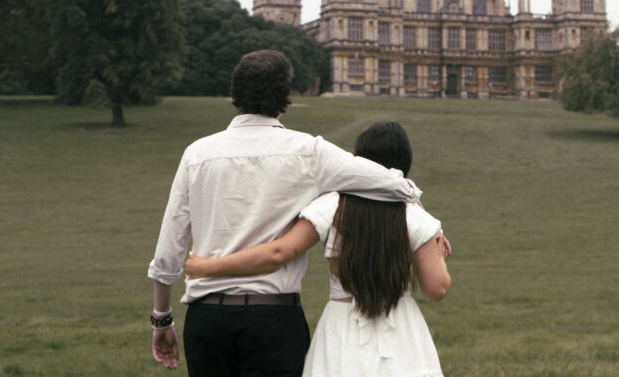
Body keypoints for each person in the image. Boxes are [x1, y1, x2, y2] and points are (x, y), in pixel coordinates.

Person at [147, 50, 423, 376]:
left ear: (235, 95)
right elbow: (391, 182)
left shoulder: (197, 153)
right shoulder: (308, 151)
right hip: (273, 320)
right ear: (284, 100)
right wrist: (419, 210)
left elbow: (170, 249)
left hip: (207, 319)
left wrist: (161, 318)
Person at [185, 121, 451, 377]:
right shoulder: (414, 215)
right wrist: (436, 249)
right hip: (402, 332)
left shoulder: (333, 205)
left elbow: (279, 253)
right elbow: (436, 289)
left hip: (342, 326)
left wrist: (206, 267)